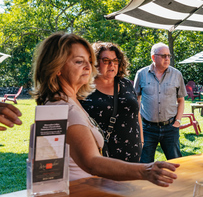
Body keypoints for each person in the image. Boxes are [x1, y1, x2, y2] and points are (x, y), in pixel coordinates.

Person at [31, 33, 179, 185]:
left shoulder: (66, 102)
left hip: (88, 189)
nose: (88, 67)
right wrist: (145, 170)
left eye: (89, 61)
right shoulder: (63, 108)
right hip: (81, 194)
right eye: (79, 61)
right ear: (57, 67)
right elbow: (91, 162)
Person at [80, 42, 142, 162]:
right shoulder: (83, 88)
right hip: (100, 153)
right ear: (95, 62)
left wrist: (142, 141)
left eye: (115, 60)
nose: (112, 64)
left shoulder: (126, 84)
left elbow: (136, 114)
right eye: (106, 60)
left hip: (132, 151)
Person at [134, 42, 186, 162]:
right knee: (144, 164)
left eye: (168, 55)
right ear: (153, 57)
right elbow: (135, 99)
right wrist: (138, 124)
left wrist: (177, 121)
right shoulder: (141, 74)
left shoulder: (177, 74)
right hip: (147, 128)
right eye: (163, 56)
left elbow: (181, 100)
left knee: (176, 163)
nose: (167, 58)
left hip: (170, 128)